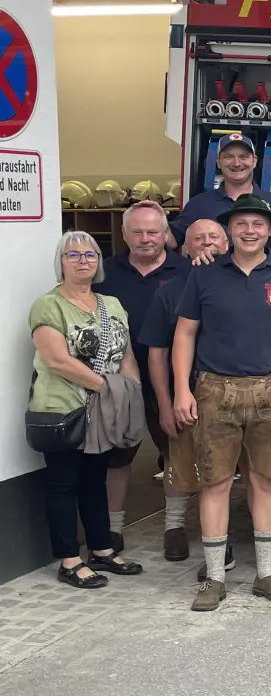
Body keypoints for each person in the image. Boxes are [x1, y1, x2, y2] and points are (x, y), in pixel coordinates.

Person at [173, 194, 271, 611]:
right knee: (215, 483)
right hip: (215, 389)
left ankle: (266, 574)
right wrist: (182, 389)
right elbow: (184, 333)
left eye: (258, 224)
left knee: (266, 481)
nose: (250, 231)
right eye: (242, 224)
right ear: (229, 230)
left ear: (270, 230)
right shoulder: (205, 274)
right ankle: (214, 578)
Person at [30, 230, 145, 588]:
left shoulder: (112, 304)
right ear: (61, 263)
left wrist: (132, 394)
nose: (83, 261)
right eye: (74, 255)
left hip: (103, 413)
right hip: (64, 411)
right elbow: (57, 360)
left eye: (90, 254)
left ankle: (101, 550)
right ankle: (69, 560)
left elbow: (126, 355)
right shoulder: (49, 305)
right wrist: (109, 388)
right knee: (63, 484)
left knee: (96, 481)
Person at [94, 201, 186, 556]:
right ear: (124, 234)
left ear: (165, 234)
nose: (145, 239)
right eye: (137, 232)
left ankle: (175, 527)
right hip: (119, 383)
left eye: (152, 232)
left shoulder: (187, 271)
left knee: (175, 454)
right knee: (117, 459)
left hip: (174, 383)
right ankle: (113, 530)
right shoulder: (104, 273)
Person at [142, 221, 229, 565]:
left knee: (235, 471)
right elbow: (157, 354)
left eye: (213, 237)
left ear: (227, 243)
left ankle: (235, 535)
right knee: (178, 461)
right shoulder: (170, 291)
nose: (207, 243)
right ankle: (174, 526)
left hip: (236, 397)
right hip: (186, 397)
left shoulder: (246, 284)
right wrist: (166, 403)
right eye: (198, 239)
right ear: (184, 248)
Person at [169, 132, 271, 256]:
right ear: (218, 162)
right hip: (214, 270)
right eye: (229, 157)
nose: (236, 163)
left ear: (254, 161)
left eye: (243, 157)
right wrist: (159, 221)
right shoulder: (199, 204)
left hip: (266, 271)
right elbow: (172, 241)